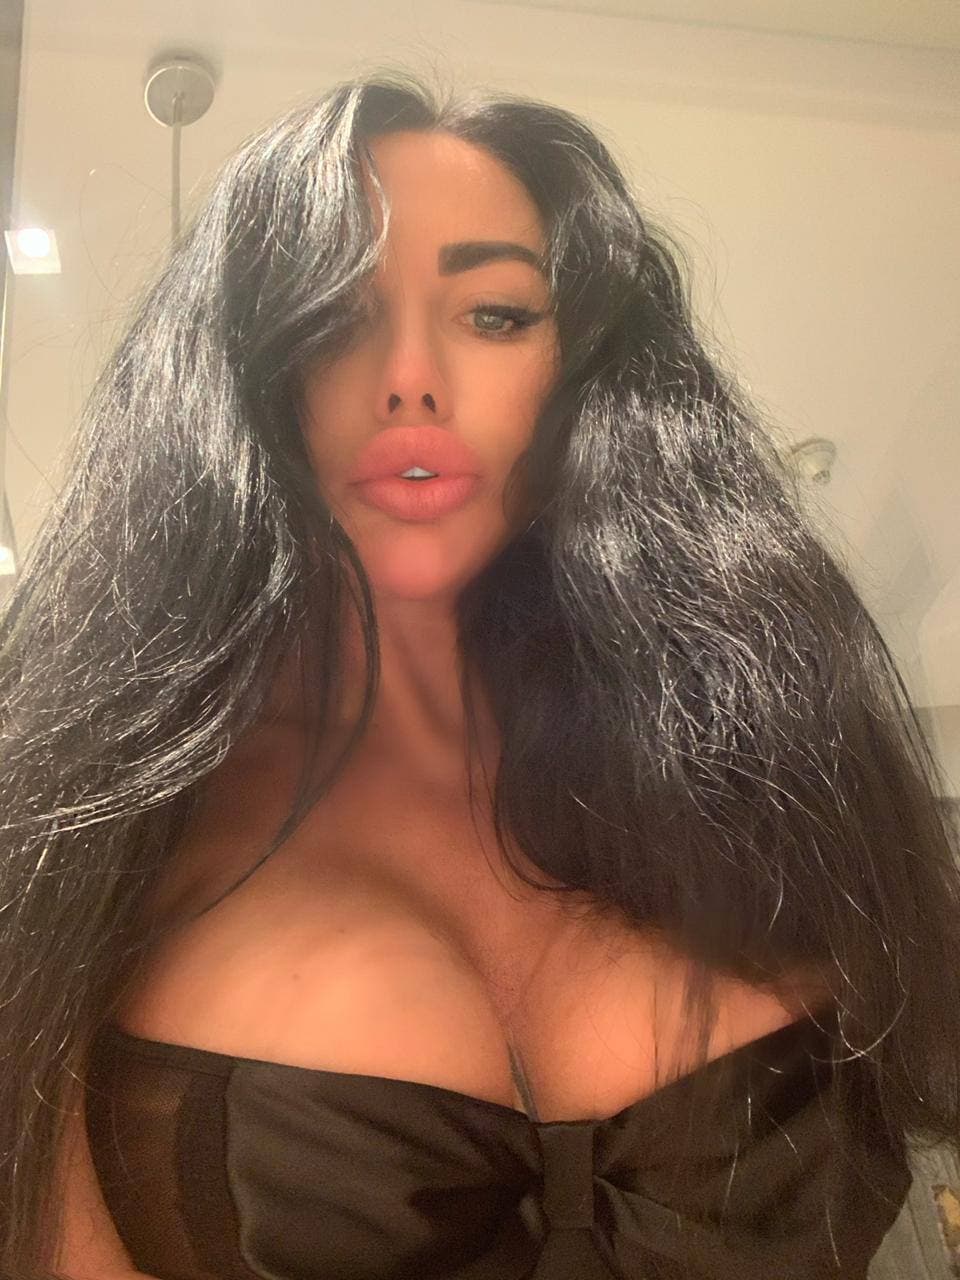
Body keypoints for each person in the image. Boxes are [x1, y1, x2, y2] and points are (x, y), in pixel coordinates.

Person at [0, 68, 956, 1280]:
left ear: (589, 366)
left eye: (494, 313)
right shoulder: (83, 831)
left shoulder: (769, 763)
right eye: (332, 315)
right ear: (238, 370)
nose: (409, 377)